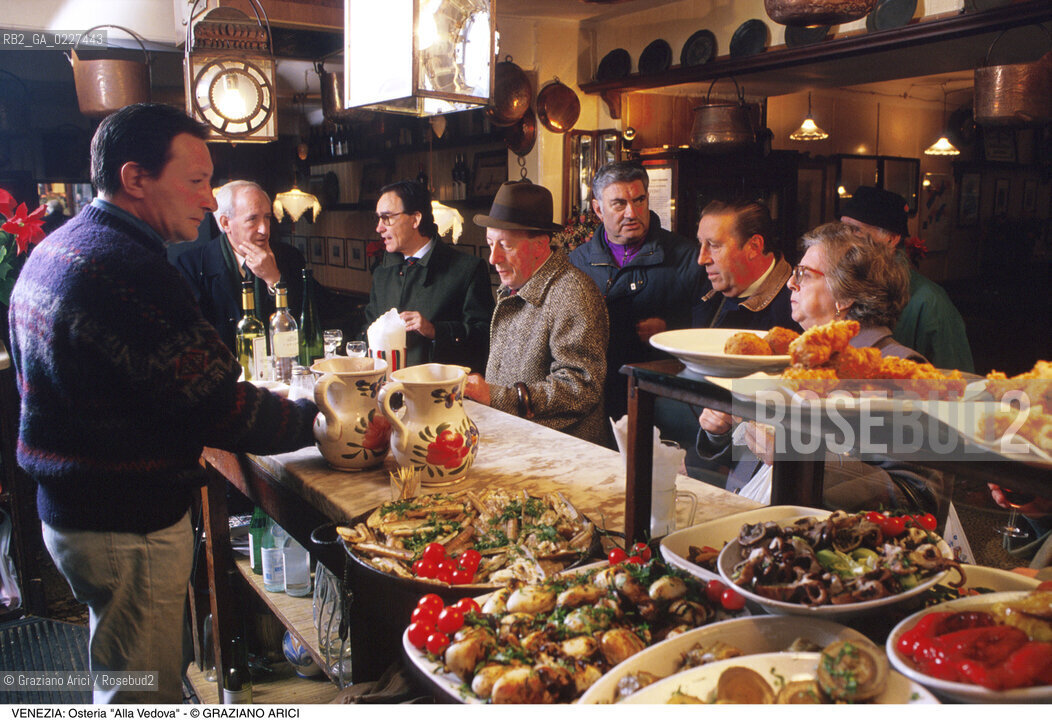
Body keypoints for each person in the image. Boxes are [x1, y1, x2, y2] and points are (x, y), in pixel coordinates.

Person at [7, 104, 318, 703]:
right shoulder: (130, 269)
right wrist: (322, 422)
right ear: (135, 178)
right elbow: (217, 408)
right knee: (141, 696)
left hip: (72, 512)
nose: (208, 201)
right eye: (196, 180)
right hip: (126, 522)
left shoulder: (64, 243)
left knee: (127, 677)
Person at [698, 222, 942, 512]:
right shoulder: (794, 360)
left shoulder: (899, 369)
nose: (790, 282)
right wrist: (721, 430)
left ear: (847, 294)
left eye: (803, 274)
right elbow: (757, 460)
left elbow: (915, 496)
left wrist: (798, 458)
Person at [463, 181, 609, 445]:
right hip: (520, 443)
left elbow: (581, 388)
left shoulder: (573, 293)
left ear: (540, 246)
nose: (493, 258)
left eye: (505, 246)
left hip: (564, 455)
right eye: (490, 243)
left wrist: (496, 397)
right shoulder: (516, 286)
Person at [569, 161, 701, 422]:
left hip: (662, 398)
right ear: (598, 208)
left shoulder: (687, 256)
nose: (632, 212)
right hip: (597, 398)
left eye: (639, 200)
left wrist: (670, 331)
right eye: (619, 204)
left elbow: (709, 331)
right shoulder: (577, 262)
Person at [363, 180, 494, 372]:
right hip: (385, 391)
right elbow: (366, 331)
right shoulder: (382, 273)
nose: (379, 228)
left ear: (415, 219)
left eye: (387, 218)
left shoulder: (467, 269)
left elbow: (485, 338)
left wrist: (435, 331)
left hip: (439, 393)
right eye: (378, 219)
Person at [840, 185, 974, 372]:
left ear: (892, 238)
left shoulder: (930, 302)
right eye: (842, 228)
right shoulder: (844, 286)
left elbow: (959, 382)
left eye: (855, 230)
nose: (843, 238)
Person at [173, 180, 310, 352]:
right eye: (252, 219)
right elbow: (191, 338)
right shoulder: (190, 265)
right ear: (225, 223)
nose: (264, 230)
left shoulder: (290, 257)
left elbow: (305, 324)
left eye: (267, 218)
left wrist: (273, 279)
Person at [692, 199, 797, 331]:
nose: (701, 260)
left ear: (754, 246)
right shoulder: (703, 291)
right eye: (700, 244)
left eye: (714, 245)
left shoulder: (797, 309)